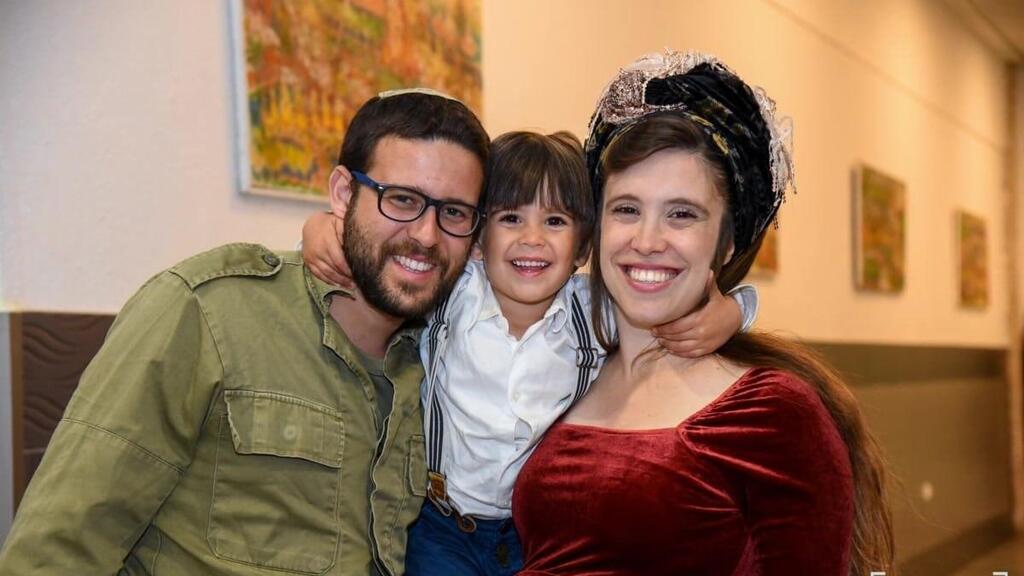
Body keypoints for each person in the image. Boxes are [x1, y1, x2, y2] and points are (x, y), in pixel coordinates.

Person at [0, 89, 490, 576]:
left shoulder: (443, 362)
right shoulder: (206, 310)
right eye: (400, 199)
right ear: (343, 193)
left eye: (453, 213)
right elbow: (58, 550)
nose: (426, 235)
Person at [301, 130, 759, 575]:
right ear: (478, 239)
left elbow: (664, 302)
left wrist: (730, 314)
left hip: (531, 532)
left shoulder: (594, 310)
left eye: (555, 221)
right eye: (510, 218)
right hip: (439, 525)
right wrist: (322, 226)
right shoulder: (452, 294)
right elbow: (390, 263)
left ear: (583, 246)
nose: (533, 239)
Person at [512, 51, 895, 575]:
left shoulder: (770, 412)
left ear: (726, 240)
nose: (646, 241)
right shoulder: (566, 368)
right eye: (626, 209)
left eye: (682, 214)